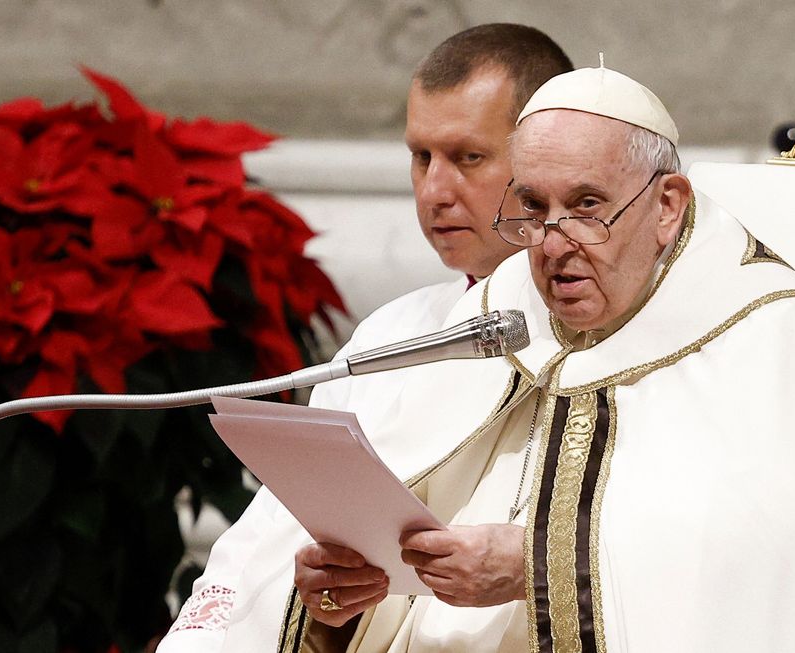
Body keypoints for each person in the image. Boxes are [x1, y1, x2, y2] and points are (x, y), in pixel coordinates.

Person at [287, 66, 795, 651]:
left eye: (586, 207)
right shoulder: (503, 314)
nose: (552, 243)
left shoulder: (776, 329)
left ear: (667, 207)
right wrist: (349, 591)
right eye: (532, 206)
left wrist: (537, 566)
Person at [156, 24, 573, 652]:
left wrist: (536, 567)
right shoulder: (391, 335)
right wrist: (328, 607)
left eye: (468, 157)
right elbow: (276, 557)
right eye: (420, 157)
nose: (434, 191)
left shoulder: (608, 339)